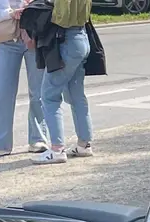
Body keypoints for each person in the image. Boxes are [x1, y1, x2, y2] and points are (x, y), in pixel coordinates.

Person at [0, 0, 48, 159]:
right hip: (7, 40)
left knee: (38, 92)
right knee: (2, 92)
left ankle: (39, 139)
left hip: (34, 36)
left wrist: (32, 7)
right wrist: (10, 13)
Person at [27, 0, 94, 164]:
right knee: (76, 95)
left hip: (66, 40)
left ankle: (57, 149)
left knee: (49, 95)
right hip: (82, 36)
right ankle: (84, 144)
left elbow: (61, 16)